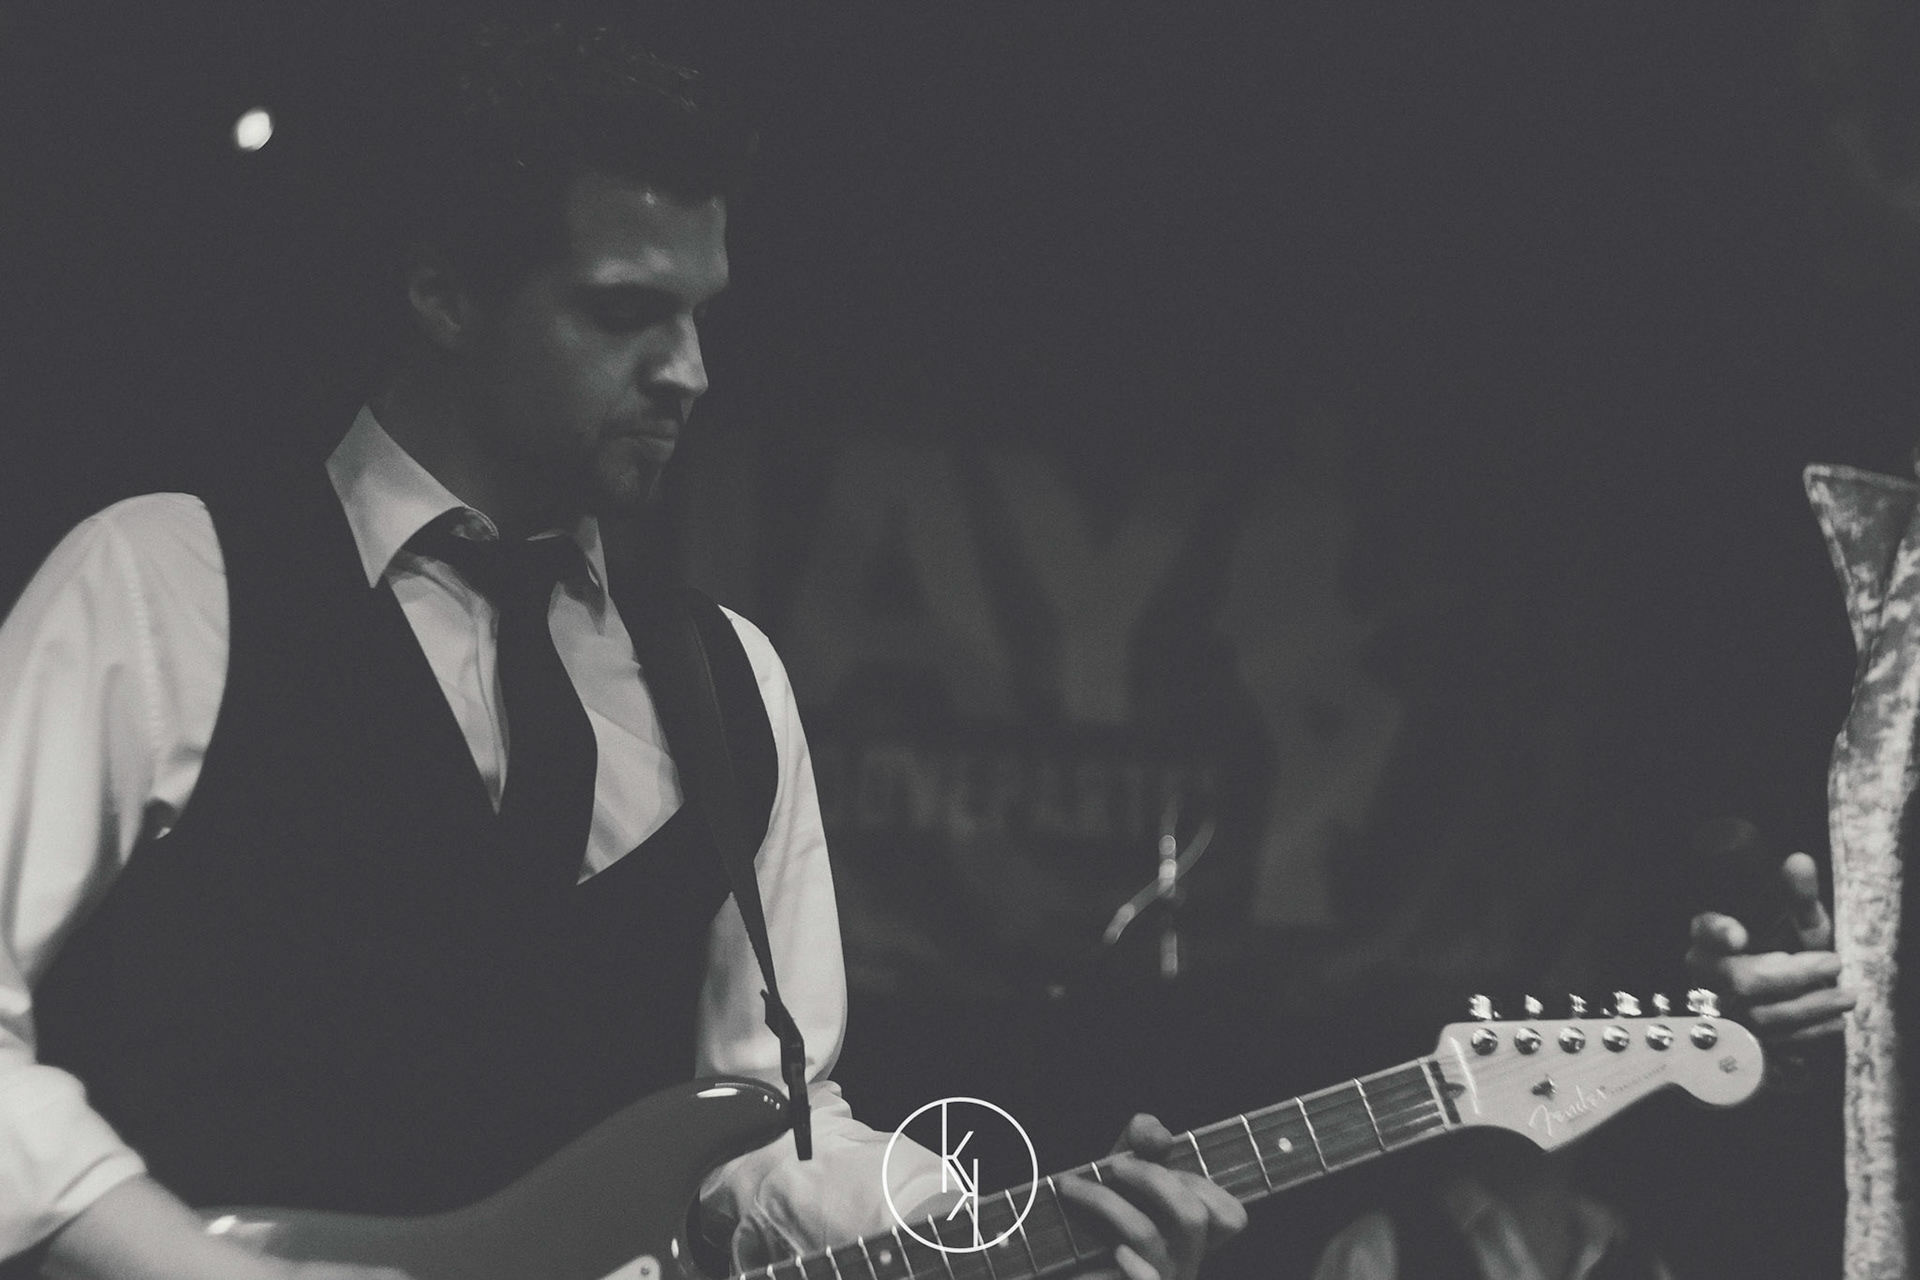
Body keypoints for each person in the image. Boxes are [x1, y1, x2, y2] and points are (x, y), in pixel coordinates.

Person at [0, 12, 1245, 1280]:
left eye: (699, 316)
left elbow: (770, 1133)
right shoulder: (166, 583)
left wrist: (1007, 1227)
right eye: (625, 313)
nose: (688, 372)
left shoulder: (728, 679)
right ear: (444, 293)